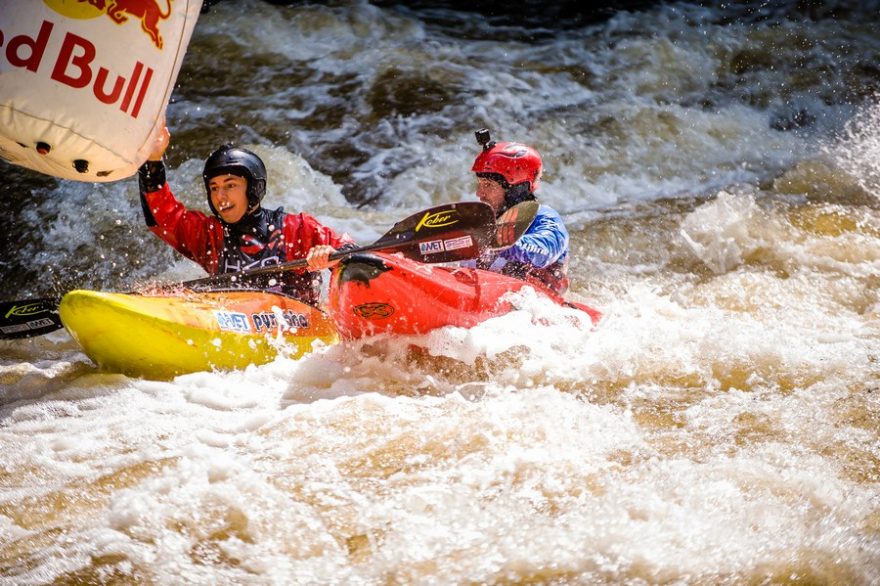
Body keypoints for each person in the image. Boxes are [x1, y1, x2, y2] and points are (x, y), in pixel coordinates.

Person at [138, 126, 356, 306]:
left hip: (296, 329)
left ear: (253, 189)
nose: (220, 196)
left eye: (230, 185)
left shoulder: (296, 228)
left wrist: (331, 255)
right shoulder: (210, 235)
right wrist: (153, 161)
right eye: (214, 188)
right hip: (233, 321)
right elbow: (163, 218)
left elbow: (352, 257)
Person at [467, 129, 571, 295]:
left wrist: (497, 241)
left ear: (515, 190)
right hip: (476, 292)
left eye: (488, 185)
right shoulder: (482, 222)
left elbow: (544, 251)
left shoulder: (545, 218)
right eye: (479, 184)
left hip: (537, 307)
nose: (479, 193)